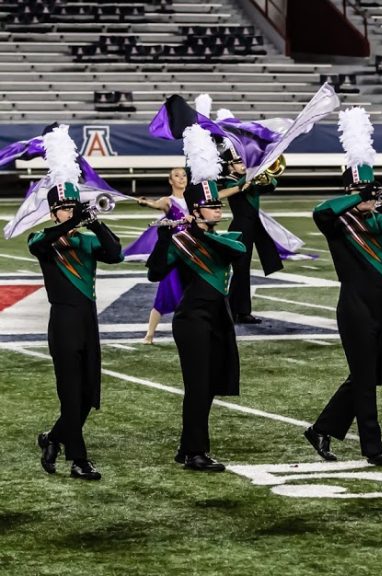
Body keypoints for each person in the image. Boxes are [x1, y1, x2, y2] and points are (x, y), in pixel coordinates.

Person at [304, 107, 382, 467]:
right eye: (360, 190)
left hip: (379, 303)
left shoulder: (381, 223)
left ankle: (322, 428)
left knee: (367, 376)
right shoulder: (338, 224)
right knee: (365, 378)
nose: (367, 197)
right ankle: (373, 447)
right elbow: (321, 211)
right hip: (353, 303)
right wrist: (359, 195)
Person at [147, 123, 247, 472]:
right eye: (211, 206)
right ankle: (194, 452)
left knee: (211, 385)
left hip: (219, 316)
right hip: (192, 319)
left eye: (219, 205)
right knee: (198, 387)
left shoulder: (222, 237)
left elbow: (236, 249)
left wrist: (194, 228)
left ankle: (187, 446)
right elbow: (155, 273)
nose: (218, 209)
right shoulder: (181, 241)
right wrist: (165, 237)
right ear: (197, 208)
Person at [32, 125, 123, 480]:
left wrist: (94, 220)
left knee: (88, 395)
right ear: (54, 211)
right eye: (63, 209)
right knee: (70, 394)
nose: (68, 213)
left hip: (88, 322)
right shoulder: (43, 239)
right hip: (64, 322)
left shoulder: (86, 242)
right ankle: (79, 460)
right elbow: (43, 242)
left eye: (72, 208)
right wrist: (73, 222)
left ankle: (53, 437)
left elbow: (115, 254)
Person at [123, 167, 189, 343]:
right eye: (177, 176)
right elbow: (156, 204)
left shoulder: (194, 199)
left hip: (191, 253)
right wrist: (146, 203)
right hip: (174, 254)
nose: (181, 178)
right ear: (170, 181)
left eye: (184, 175)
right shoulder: (168, 200)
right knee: (165, 291)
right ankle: (150, 334)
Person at [220, 144, 283, 324]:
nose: (242, 165)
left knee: (245, 271)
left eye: (244, 162)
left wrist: (267, 175)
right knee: (239, 270)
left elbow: (272, 185)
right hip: (240, 227)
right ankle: (230, 311)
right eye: (238, 162)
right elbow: (234, 188)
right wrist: (248, 178)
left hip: (254, 226)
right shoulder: (230, 180)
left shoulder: (252, 181)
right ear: (230, 165)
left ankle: (243, 311)